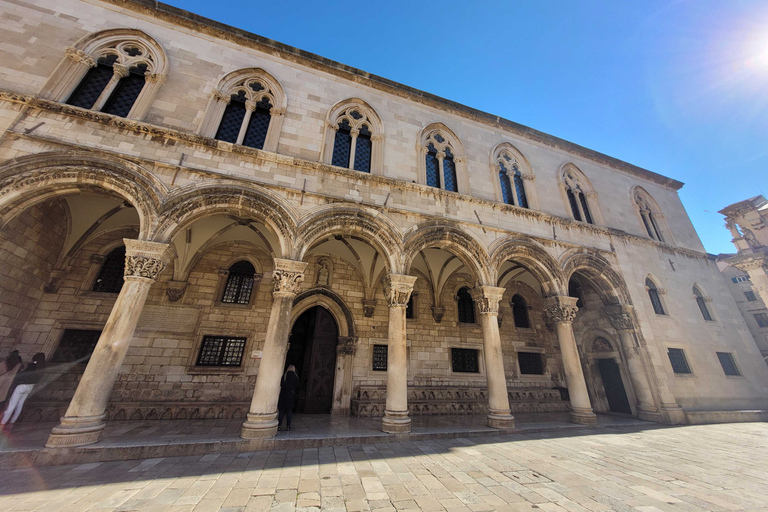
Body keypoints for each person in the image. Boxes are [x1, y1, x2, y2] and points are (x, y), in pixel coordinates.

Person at [2, 352, 46, 430]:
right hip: (30, 387)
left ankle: (2, 423)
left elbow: (22, 376)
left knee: (12, 405)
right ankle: (12, 422)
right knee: (19, 405)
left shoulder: (31, 366)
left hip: (21, 387)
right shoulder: (42, 368)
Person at [277, 365, 299, 431]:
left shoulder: (284, 376)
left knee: (282, 411)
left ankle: (279, 426)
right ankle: (288, 426)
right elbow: (297, 385)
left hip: (283, 395)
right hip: (290, 395)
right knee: (289, 411)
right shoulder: (295, 376)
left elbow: (280, 384)